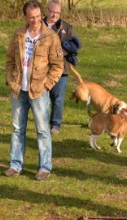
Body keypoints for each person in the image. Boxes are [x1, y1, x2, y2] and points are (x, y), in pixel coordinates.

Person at [4, 0, 64, 181]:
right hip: (18, 91)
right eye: (32, 17)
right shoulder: (18, 34)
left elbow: (58, 66)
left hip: (39, 92)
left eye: (38, 17)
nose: (36, 20)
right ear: (25, 17)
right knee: (17, 129)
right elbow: (9, 60)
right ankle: (15, 164)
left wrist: (47, 85)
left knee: (43, 130)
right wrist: (10, 80)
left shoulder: (51, 37)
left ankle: (44, 167)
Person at [43, 0, 82, 135]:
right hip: (41, 70)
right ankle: (42, 124)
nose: (54, 15)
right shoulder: (38, 25)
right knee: (43, 99)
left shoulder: (67, 27)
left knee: (58, 99)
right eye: (52, 12)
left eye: (57, 13)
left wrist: (66, 51)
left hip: (62, 70)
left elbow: (77, 45)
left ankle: (55, 125)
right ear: (47, 11)